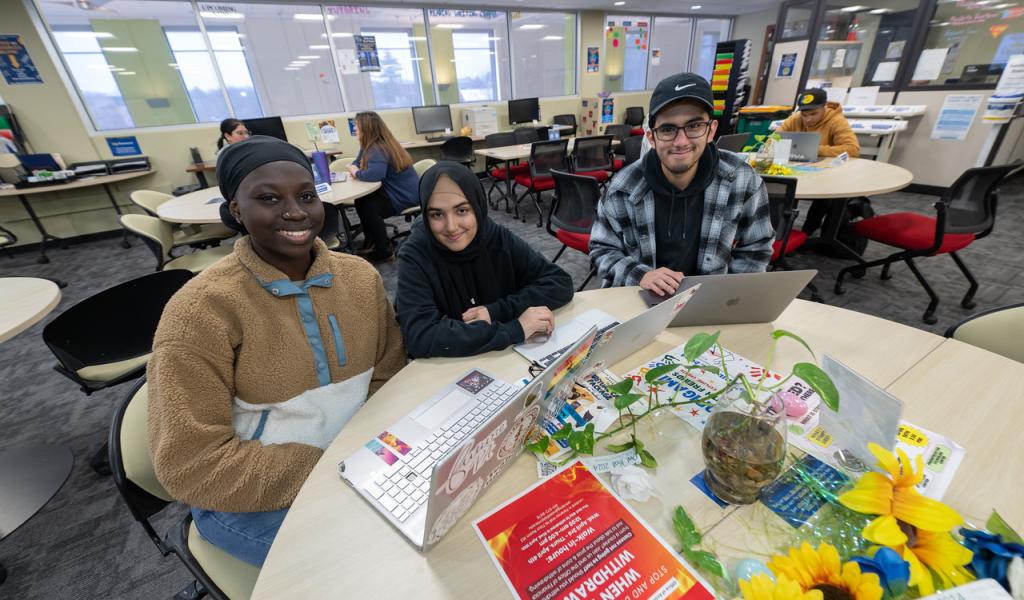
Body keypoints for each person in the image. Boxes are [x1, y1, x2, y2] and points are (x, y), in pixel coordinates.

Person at [147, 135, 406, 567]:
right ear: (235, 210)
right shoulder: (200, 311)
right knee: (378, 566)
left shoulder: (359, 278)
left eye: (307, 195)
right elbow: (189, 464)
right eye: (269, 198)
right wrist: (329, 469)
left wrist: (370, 456)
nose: (295, 211)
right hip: (251, 498)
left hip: (358, 466)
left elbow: (388, 376)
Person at [589, 73, 774, 297]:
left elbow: (756, 250)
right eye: (667, 129)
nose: (681, 141)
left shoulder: (743, 180)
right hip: (640, 300)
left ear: (711, 130)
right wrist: (641, 275)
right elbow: (602, 250)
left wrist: (727, 298)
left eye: (694, 126)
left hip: (710, 302)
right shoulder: (623, 187)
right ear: (651, 136)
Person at [395, 161, 574, 359]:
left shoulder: (495, 236)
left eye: (462, 210)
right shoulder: (414, 254)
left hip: (506, 359)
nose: (451, 226)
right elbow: (420, 337)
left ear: (477, 207)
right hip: (448, 367)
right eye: (437, 214)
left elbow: (559, 282)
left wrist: (495, 312)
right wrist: (514, 329)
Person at [775, 88, 860, 235]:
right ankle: (782, 232)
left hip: (827, 173)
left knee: (825, 196)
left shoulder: (836, 121)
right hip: (797, 169)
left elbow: (852, 149)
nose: (808, 119)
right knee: (786, 189)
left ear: (824, 107)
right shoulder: (795, 119)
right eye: (804, 114)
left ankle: (809, 231)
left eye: (814, 114)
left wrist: (814, 149)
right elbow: (774, 140)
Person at [347, 111, 419, 262]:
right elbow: (357, 161)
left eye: (357, 127)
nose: (355, 130)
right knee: (362, 201)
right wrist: (355, 167)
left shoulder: (377, 148)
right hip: (400, 189)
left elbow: (375, 175)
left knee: (368, 207)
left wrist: (356, 172)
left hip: (404, 195)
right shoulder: (372, 144)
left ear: (367, 129)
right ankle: (371, 240)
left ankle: (384, 251)